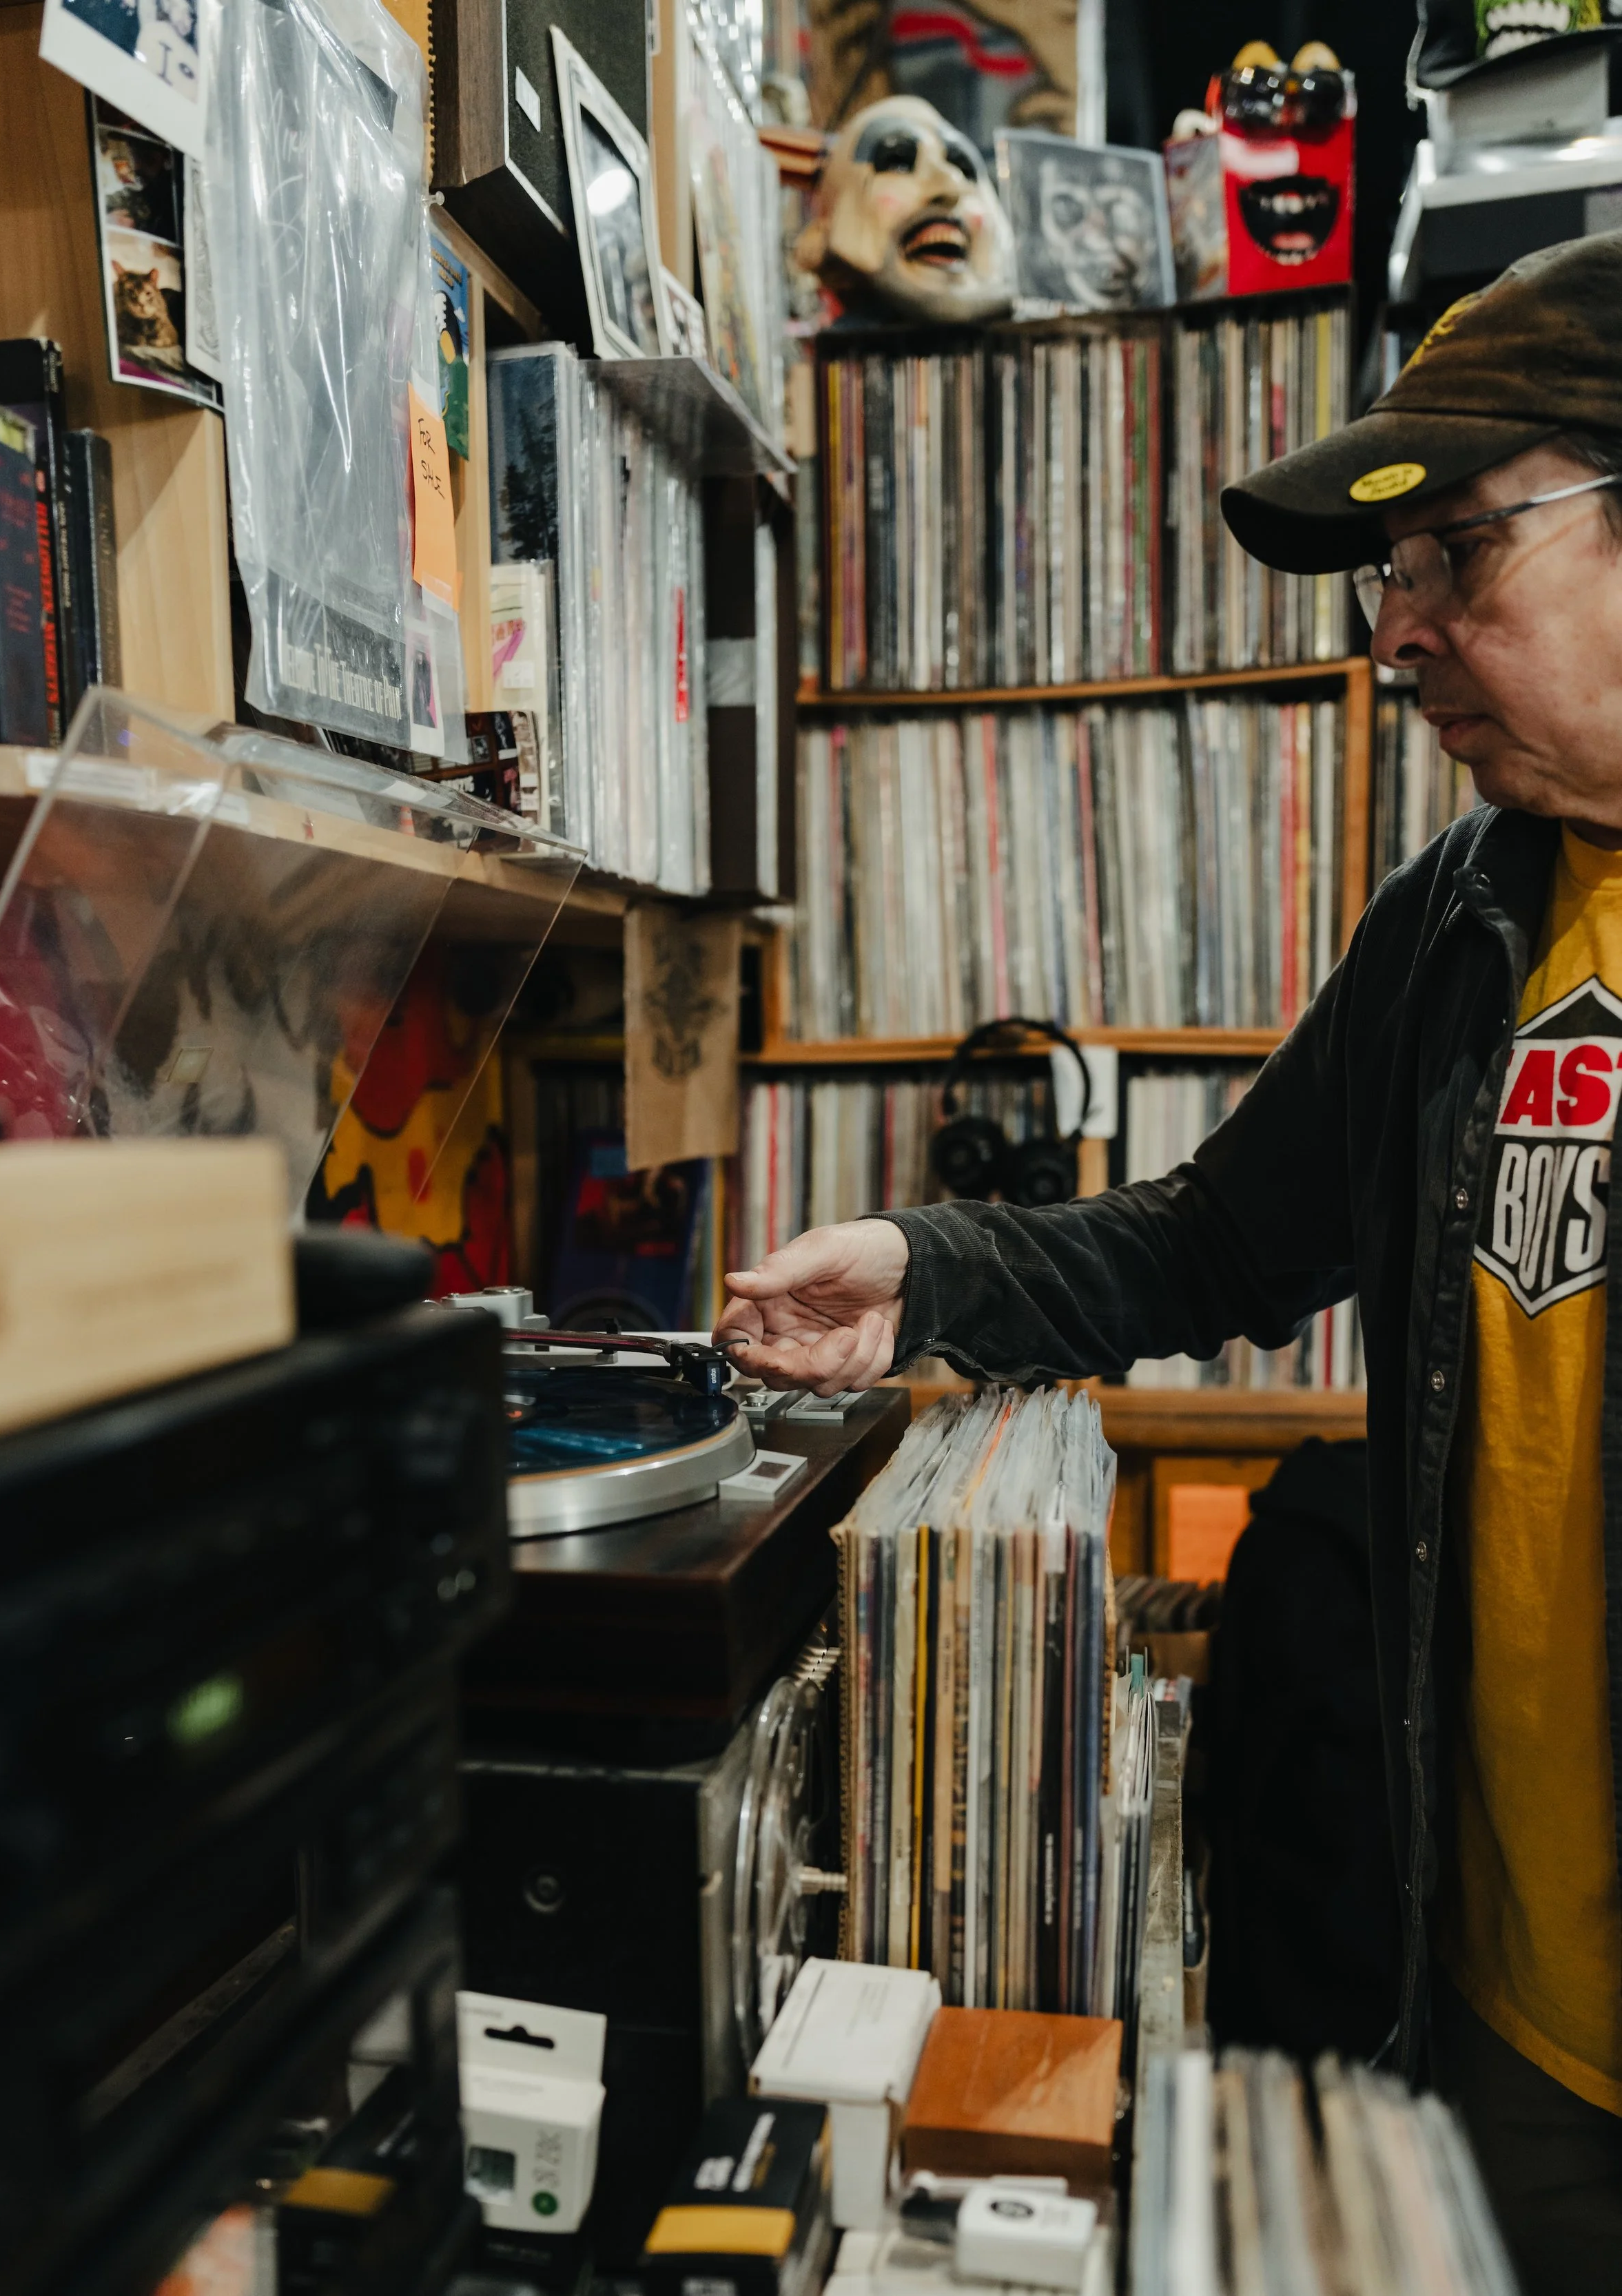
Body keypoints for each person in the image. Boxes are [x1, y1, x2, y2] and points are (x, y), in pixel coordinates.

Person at [713, 233, 1622, 2294]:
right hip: (1502, 2016)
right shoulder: (1466, 911)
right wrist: (917, 1273)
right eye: (1380, 582)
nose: (1392, 638)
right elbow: (1223, 1231)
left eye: (1451, 556)